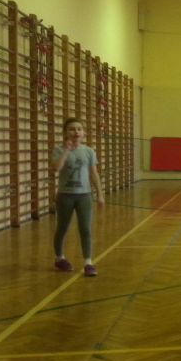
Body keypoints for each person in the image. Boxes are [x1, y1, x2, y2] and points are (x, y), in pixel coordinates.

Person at [51, 117, 105, 276]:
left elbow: (94, 174)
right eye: (72, 129)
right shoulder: (58, 150)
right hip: (65, 196)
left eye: (79, 129)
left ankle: (88, 262)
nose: (76, 132)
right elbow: (56, 168)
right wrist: (67, 150)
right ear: (65, 133)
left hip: (84, 196)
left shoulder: (88, 151)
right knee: (62, 228)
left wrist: (100, 194)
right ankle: (59, 258)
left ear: (83, 133)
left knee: (85, 229)